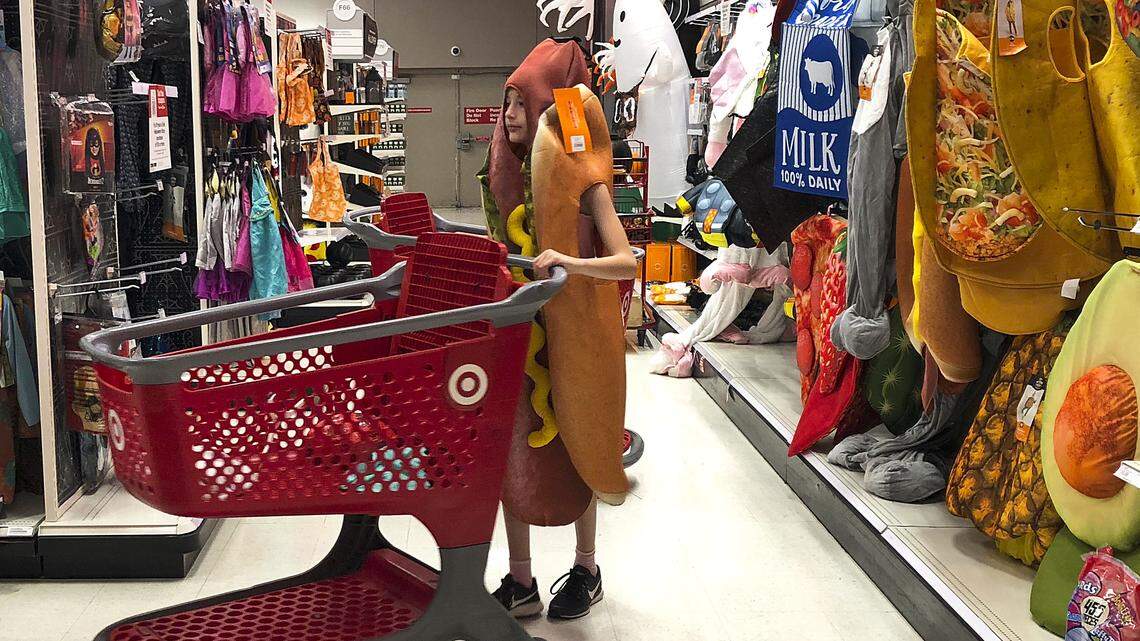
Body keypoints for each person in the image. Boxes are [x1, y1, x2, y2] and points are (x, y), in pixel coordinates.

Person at [479, 39, 636, 621]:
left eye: (521, 102)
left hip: (578, 339)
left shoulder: (585, 178)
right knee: (511, 445)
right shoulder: (511, 183)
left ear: (550, 105)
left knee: (581, 444)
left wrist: (571, 266)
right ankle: (520, 580)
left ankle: (586, 567)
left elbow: (627, 261)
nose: (509, 115)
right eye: (506, 103)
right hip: (517, 334)